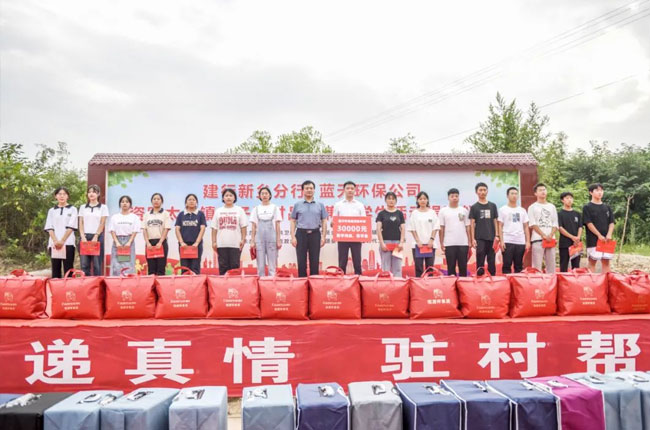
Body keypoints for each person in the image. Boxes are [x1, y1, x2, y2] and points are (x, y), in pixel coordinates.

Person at [290, 180, 328, 277]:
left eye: (311, 188)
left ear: (314, 190)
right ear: (303, 190)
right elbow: (293, 220)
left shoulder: (320, 205)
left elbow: (324, 221)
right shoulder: (297, 205)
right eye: (307, 188)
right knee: (301, 260)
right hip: (301, 234)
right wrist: (293, 237)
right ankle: (302, 281)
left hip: (315, 234)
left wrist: (323, 237)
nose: (309, 190)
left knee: (315, 259)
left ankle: (314, 282)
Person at [211, 188, 248, 275]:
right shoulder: (218, 211)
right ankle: (223, 283)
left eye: (231, 195)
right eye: (226, 195)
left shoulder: (239, 210)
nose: (228, 197)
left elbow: (243, 226)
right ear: (223, 198)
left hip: (235, 244)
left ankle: (234, 284)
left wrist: (243, 239)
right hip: (221, 244)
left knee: (234, 267)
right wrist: (214, 242)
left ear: (234, 198)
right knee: (223, 266)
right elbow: (214, 228)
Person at [333, 181, 366, 275]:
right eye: (348, 188)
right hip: (342, 237)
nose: (350, 190)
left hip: (356, 237)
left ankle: (358, 280)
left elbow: (364, 221)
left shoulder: (360, 205)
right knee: (342, 262)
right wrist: (333, 224)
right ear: (344, 190)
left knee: (357, 262)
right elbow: (334, 221)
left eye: (352, 188)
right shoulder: (338, 205)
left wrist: (364, 236)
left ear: (355, 190)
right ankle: (341, 280)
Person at [44, 187, 78, 278]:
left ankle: (68, 287)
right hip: (54, 244)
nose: (62, 196)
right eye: (59, 194)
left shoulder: (73, 209)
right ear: (55, 196)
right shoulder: (52, 211)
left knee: (68, 269)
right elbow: (49, 227)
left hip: (68, 243)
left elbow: (71, 226)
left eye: (64, 194)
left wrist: (62, 241)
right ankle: (56, 287)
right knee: (55, 270)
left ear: (68, 196)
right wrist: (55, 241)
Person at [583, 183, 615, 273]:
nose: (600, 192)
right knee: (592, 262)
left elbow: (612, 222)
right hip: (593, 239)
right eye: (597, 190)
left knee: (606, 262)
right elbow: (588, 223)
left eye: (601, 190)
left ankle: (606, 280)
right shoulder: (587, 207)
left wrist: (609, 234)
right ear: (591, 192)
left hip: (607, 239)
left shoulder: (607, 207)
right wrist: (599, 235)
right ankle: (592, 280)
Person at [498, 187, 530, 274]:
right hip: (507, 240)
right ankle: (507, 282)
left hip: (520, 241)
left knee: (519, 266)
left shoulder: (522, 210)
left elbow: (526, 226)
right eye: (512, 193)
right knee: (507, 265)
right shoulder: (502, 209)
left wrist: (527, 241)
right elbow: (500, 226)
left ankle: (517, 282)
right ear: (507, 196)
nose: (514, 195)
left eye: (516, 194)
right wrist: (501, 241)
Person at [250, 187, 281, 277]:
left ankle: (272, 282)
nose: (264, 195)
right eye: (262, 193)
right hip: (259, 239)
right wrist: (252, 241)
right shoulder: (256, 209)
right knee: (260, 264)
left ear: (270, 195)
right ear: (259, 196)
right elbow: (253, 226)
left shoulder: (275, 208)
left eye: (266, 193)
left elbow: (277, 225)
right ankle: (261, 281)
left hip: (272, 238)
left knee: (272, 263)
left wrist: (278, 240)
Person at [439, 188, 471, 277]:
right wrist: (441, 242)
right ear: (448, 198)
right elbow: (441, 228)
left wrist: (469, 241)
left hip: (463, 243)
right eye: (452, 196)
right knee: (451, 267)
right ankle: (452, 285)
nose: (454, 198)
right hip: (449, 243)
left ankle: (463, 284)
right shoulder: (443, 211)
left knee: (463, 267)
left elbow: (468, 227)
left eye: (456, 196)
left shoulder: (464, 210)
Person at [527, 183, 559, 273]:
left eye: (544, 190)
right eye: (540, 190)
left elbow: (555, 223)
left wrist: (551, 235)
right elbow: (532, 223)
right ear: (535, 193)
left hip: (550, 239)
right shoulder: (532, 207)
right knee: (536, 266)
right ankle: (537, 281)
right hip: (538, 239)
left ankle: (551, 281)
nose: (543, 192)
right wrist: (543, 235)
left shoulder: (552, 207)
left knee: (551, 265)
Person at [408, 191, 440, 278]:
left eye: (424, 199)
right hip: (418, 245)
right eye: (420, 199)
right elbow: (412, 228)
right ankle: (419, 285)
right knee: (418, 268)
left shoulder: (432, 212)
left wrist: (431, 240)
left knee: (430, 268)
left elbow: (435, 227)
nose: (422, 200)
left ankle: (429, 285)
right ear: (417, 201)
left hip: (430, 245)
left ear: (427, 200)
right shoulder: (414, 213)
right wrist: (418, 241)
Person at [78, 184, 108, 276]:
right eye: (89, 192)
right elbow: (81, 223)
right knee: (84, 265)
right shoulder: (83, 207)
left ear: (98, 194)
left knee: (96, 264)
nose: (91, 194)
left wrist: (96, 236)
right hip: (85, 237)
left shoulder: (103, 207)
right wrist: (82, 236)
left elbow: (102, 223)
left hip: (97, 237)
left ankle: (97, 283)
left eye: (94, 192)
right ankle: (86, 283)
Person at [469, 182, 499, 276]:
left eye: (484, 190)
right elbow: (472, 224)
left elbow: (495, 221)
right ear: (476, 192)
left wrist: (497, 235)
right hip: (480, 238)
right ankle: (480, 279)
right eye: (480, 190)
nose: (482, 192)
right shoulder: (474, 207)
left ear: (487, 191)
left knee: (491, 261)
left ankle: (492, 279)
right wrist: (473, 239)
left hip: (491, 238)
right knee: (480, 261)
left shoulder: (492, 205)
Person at [375, 191, 406, 277]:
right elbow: (378, 229)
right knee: (386, 267)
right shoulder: (381, 214)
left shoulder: (399, 213)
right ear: (385, 200)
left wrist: (401, 242)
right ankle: (386, 284)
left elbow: (403, 228)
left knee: (397, 267)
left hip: (397, 243)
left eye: (393, 199)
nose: (391, 200)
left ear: (396, 201)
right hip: (386, 242)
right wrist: (382, 243)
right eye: (389, 199)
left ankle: (398, 283)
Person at [108, 195, 140, 276]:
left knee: (129, 263)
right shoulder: (115, 217)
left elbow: (135, 231)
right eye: (122, 202)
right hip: (117, 241)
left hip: (129, 241)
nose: (124, 203)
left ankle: (128, 281)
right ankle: (115, 281)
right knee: (116, 264)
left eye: (127, 202)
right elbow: (112, 230)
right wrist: (116, 242)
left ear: (130, 204)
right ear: (120, 204)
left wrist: (129, 242)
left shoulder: (134, 217)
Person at [175, 193, 207, 274]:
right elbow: (177, 229)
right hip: (184, 245)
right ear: (186, 202)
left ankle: (196, 282)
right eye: (189, 200)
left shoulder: (200, 214)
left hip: (196, 245)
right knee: (184, 267)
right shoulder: (181, 214)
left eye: (193, 200)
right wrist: (181, 242)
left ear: (196, 202)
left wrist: (197, 243)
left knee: (195, 267)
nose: (191, 201)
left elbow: (202, 228)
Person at [142, 193, 171, 276]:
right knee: (151, 269)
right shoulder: (147, 214)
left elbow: (166, 229)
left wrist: (160, 242)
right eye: (154, 199)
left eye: (158, 199)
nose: (156, 201)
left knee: (161, 269)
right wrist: (147, 243)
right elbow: (144, 229)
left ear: (162, 201)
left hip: (161, 243)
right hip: (150, 243)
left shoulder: (165, 214)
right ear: (151, 201)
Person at [558, 192, 583, 272]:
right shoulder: (559, 214)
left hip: (576, 244)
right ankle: (562, 279)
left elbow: (580, 227)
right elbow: (560, 228)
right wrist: (572, 237)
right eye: (567, 198)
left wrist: (578, 238)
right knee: (563, 265)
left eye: (571, 198)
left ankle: (576, 279)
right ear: (562, 200)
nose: (569, 200)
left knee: (576, 266)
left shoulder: (577, 214)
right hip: (564, 243)